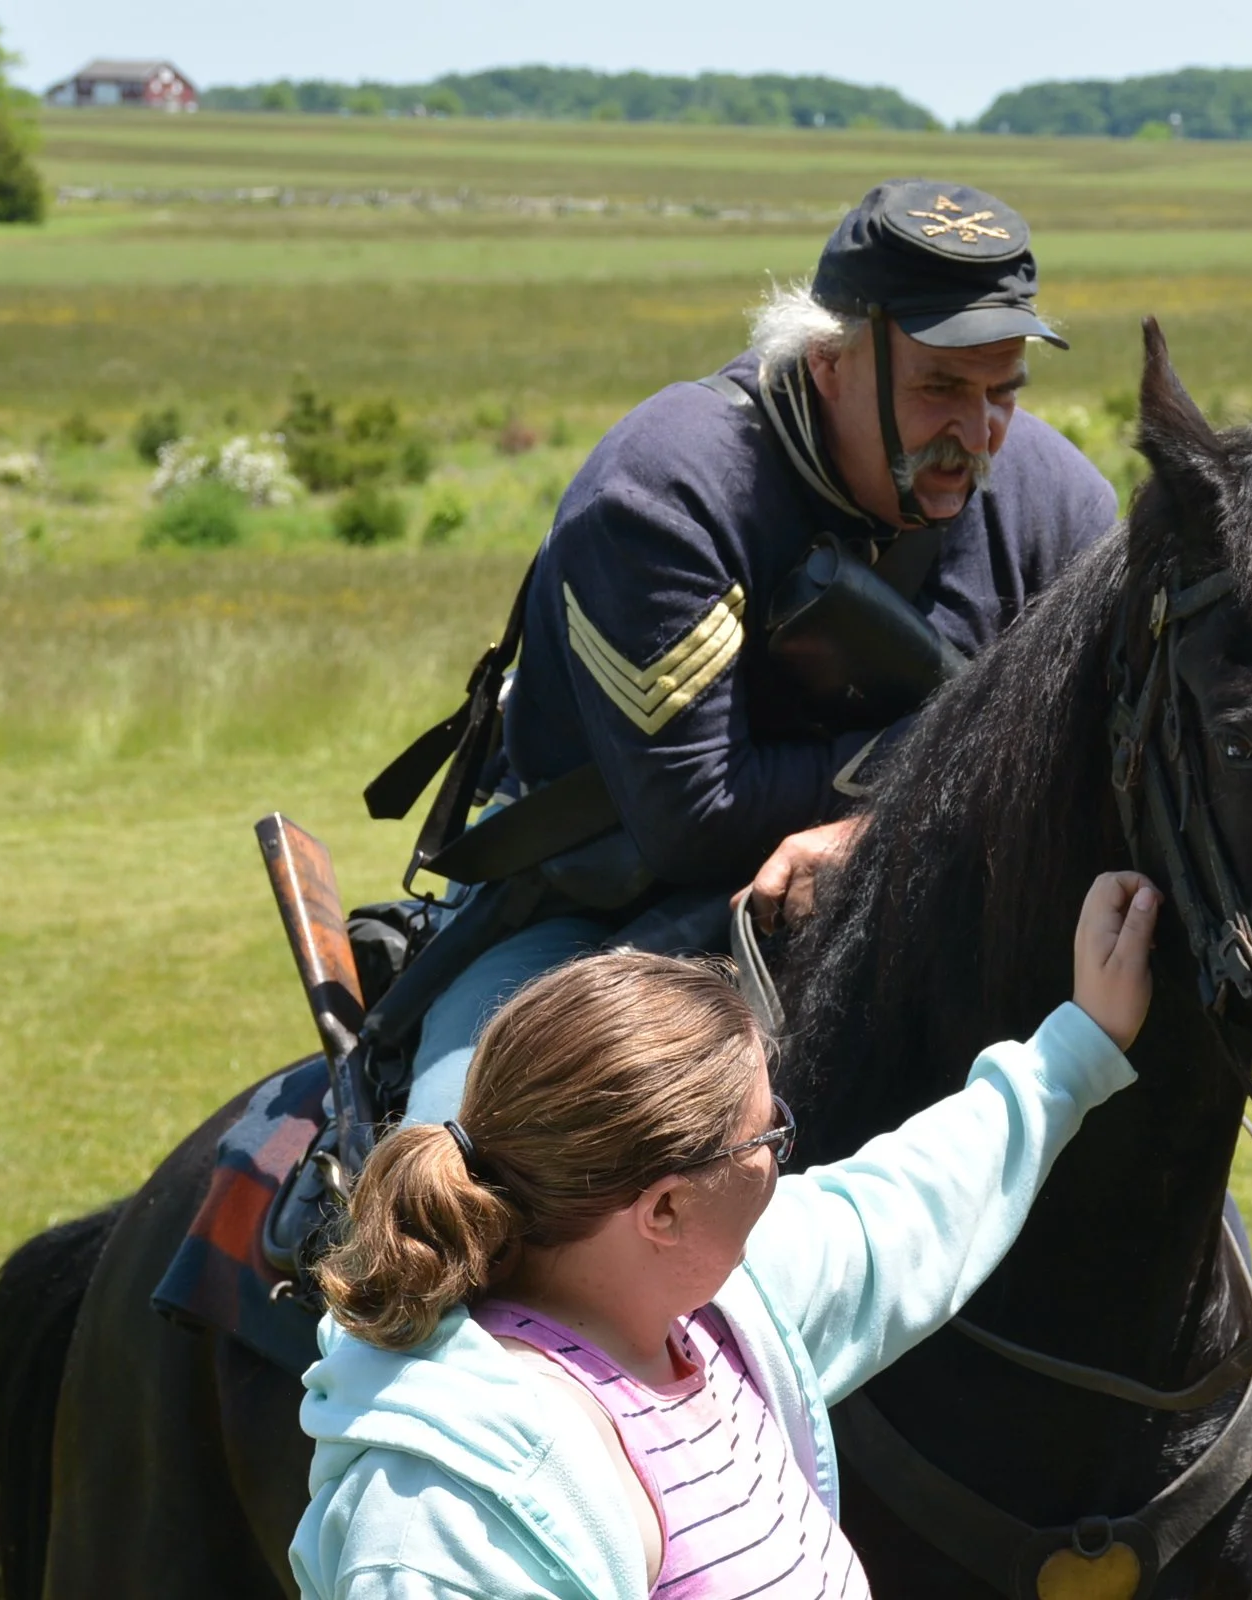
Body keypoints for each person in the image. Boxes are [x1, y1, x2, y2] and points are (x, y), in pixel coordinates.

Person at [399, 177, 1119, 1124]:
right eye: (941, 387)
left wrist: (870, 839)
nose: (977, 434)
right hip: (606, 913)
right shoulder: (666, 491)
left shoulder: (1060, 504)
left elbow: (1108, 755)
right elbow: (696, 815)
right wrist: (952, 779)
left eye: (1002, 392)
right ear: (829, 362)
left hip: (932, 901)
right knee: (470, 1147)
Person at [291, 872, 1159, 1600]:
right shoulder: (446, 1521)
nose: (786, 1154)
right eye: (766, 1136)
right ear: (663, 1210)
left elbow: (900, 1207)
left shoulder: (711, 1308)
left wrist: (1076, 1048)